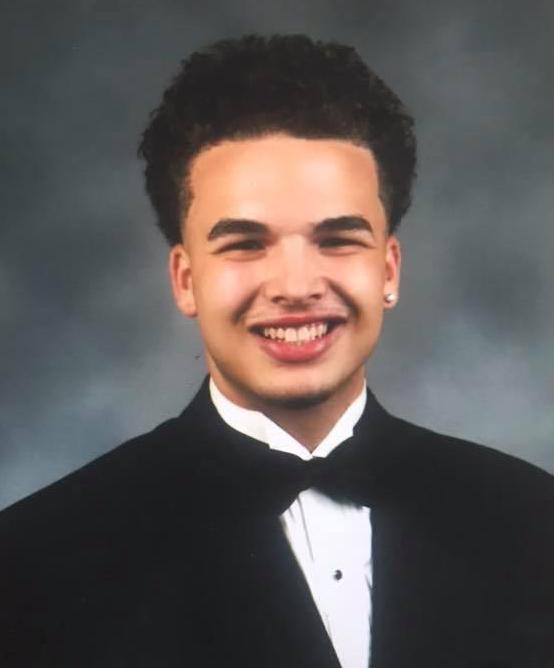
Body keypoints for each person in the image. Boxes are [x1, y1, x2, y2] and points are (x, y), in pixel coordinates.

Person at [0, 34, 552, 668]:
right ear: (186, 280)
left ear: (389, 269)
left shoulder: (531, 518)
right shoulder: (34, 564)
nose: (295, 286)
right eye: (244, 244)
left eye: (337, 239)